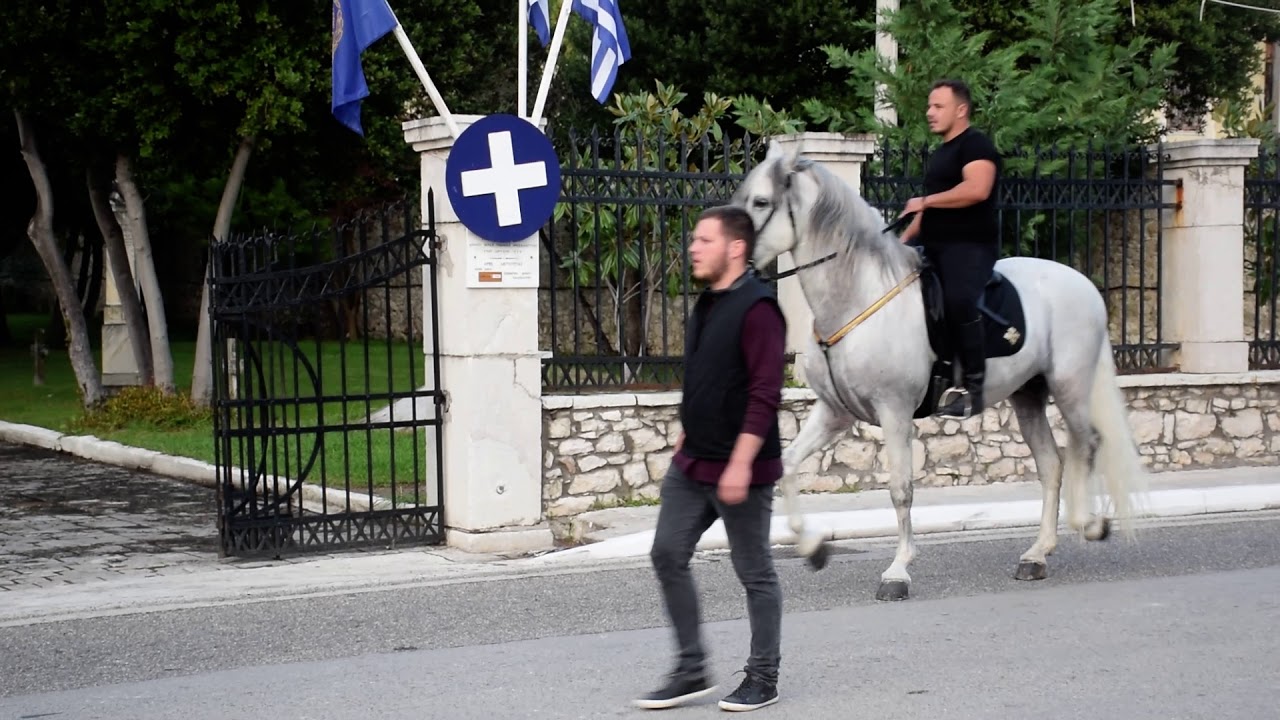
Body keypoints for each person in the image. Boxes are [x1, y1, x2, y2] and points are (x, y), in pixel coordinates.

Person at [634, 204, 786, 713]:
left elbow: (766, 393)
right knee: (666, 553)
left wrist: (742, 462)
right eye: (695, 240)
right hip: (694, 462)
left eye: (704, 240)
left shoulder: (760, 309)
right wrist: (684, 436)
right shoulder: (708, 303)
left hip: (740, 466)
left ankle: (764, 676)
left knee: (754, 571)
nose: (694, 247)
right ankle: (692, 667)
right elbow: (704, 377)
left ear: (735, 247)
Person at [898, 78, 1003, 419]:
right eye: (929, 106)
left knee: (958, 299)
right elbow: (926, 214)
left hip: (970, 247)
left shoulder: (976, 146)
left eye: (937, 106)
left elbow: (977, 189)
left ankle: (973, 388)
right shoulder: (941, 153)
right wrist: (898, 245)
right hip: (934, 246)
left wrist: (925, 200)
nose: (929, 113)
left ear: (961, 110)